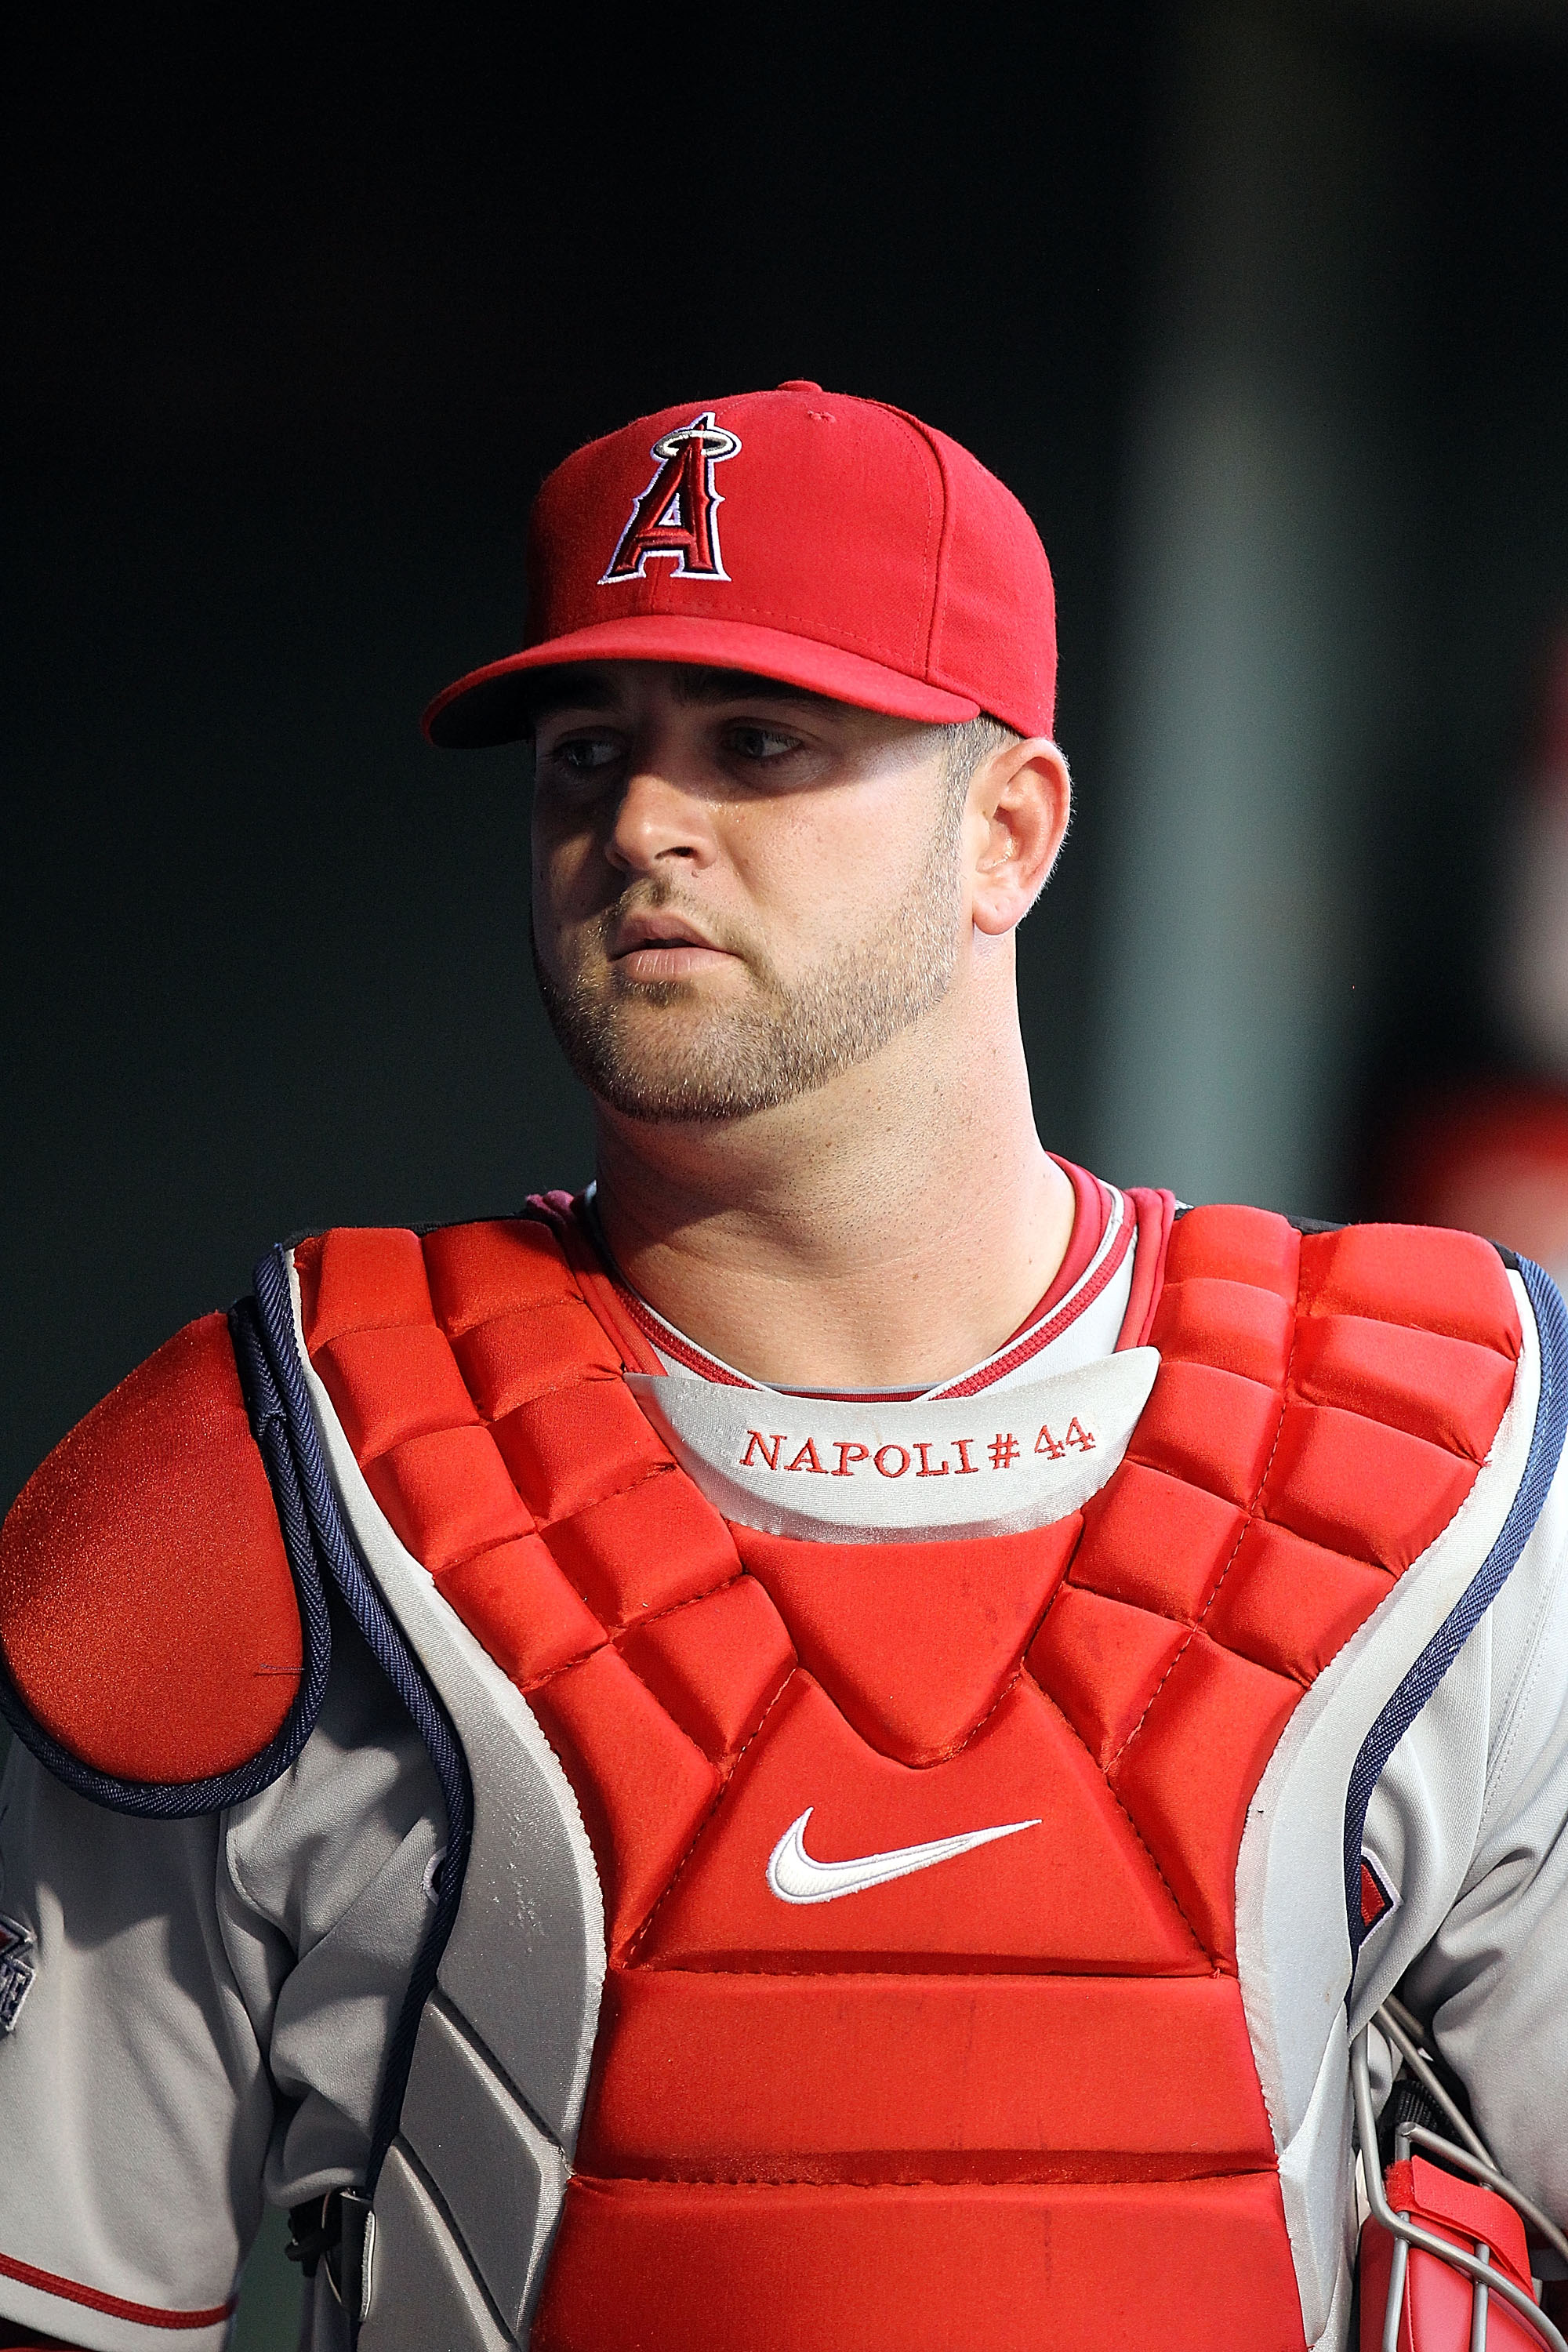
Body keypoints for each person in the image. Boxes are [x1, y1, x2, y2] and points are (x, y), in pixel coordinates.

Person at [1, 383, 1564, 2352]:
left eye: (760, 744)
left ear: (1009, 829)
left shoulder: (1436, 1448)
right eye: (587, 755)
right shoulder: (272, 1474)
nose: (642, 825)